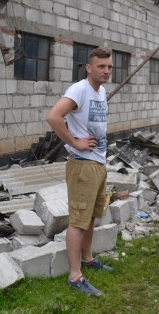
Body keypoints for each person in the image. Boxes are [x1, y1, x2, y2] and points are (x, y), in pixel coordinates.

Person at [46, 47, 114, 296]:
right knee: (78, 220)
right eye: (101, 66)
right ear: (89, 67)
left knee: (91, 217)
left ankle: (88, 258)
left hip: (97, 163)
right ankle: (75, 276)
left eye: (109, 67)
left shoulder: (101, 91)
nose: (106, 71)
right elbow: (53, 117)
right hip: (82, 165)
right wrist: (74, 142)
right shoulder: (79, 89)